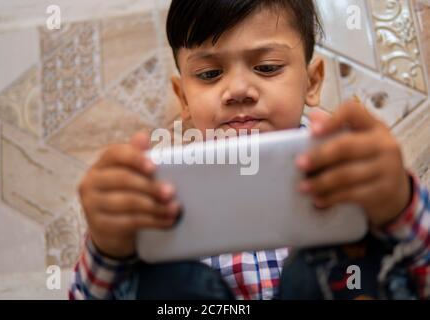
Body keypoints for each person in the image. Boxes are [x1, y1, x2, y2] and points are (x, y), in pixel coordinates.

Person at [69, 0, 430, 300]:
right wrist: (108, 250)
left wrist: (400, 208)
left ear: (313, 81)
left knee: (324, 269)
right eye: (210, 74)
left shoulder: (354, 169)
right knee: (168, 281)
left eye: (267, 67)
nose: (238, 89)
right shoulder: (158, 191)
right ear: (183, 98)